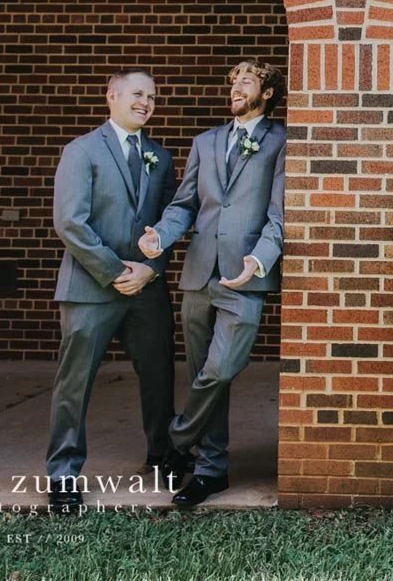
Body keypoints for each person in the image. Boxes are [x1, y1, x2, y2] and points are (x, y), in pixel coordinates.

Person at [140, 58, 287, 508]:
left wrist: (259, 260)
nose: (236, 88)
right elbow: (185, 204)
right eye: (234, 82)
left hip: (244, 275)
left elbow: (281, 214)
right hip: (198, 272)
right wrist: (160, 235)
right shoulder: (205, 142)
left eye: (247, 81)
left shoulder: (282, 141)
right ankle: (210, 469)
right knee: (202, 374)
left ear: (267, 93)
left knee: (220, 369)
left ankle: (176, 439)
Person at [46, 68, 178, 513]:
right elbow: (70, 222)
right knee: (75, 383)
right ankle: (63, 473)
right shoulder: (81, 150)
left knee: (159, 375)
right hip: (90, 287)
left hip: (146, 289)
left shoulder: (160, 156)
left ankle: (162, 455)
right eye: (138, 94)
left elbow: (170, 221)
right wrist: (116, 270)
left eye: (152, 97)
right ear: (112, 96)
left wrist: (151, 269)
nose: (146, 103)